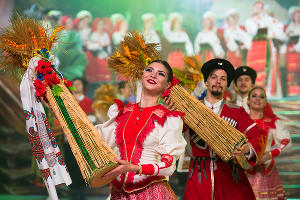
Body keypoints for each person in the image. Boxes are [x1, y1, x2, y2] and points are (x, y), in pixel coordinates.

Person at [95, 60, 186, 199]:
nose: (153, 75)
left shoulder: (169, 119)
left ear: (167, 85)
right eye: (149, 70)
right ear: (142, 75)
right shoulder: (121, 112)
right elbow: (97, 140)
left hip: (150, 193)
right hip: (118, 193)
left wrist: (134, 168)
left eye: (160, 74)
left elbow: (168, 166)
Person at [182, 58, 267, 200]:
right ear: (206, 82)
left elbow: (259, 134)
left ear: (227, 84)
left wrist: (248, 148)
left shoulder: (236, 112)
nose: (218, 81)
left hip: (230, 177)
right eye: (214, 77)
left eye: (223, 79)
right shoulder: (191, 110)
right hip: (198, 176)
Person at [246, 86, 291, 199]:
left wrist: (270, 154)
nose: (257, 99)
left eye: (262, 97)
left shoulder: (272, 123)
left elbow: (286, 141)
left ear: (265, 102)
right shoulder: (240, 121)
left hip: (266, 172)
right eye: (254, 96)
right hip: (244, 172)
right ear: (248, 101)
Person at [56, 16, 87, 81]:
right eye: (69, 22)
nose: (71, 23)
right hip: (64, 59)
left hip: (75, 58)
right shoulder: (61, 34)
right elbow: (60, 48)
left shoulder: (75, 34)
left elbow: (80, 45)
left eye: (71, 22)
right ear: (64, 24)